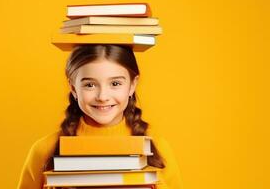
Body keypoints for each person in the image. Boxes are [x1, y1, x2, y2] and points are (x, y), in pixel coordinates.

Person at [17, 44, 183, 189]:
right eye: (90, 85)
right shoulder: (43, 150)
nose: (103, 96)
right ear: (73, 88)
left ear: (132, 85)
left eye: (115, 84)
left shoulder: (158, 149)